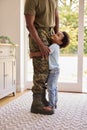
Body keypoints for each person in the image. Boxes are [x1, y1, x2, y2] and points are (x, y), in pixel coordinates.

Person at [24, 0, 59, 115]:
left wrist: (57, 37)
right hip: (39, 33)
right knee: (41, 70)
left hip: (50, 32)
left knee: (48, 69)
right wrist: (40, 44)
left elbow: (56, 16)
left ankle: (42, 99)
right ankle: (36, 103)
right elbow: (30, 24)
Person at [31, 31, 70, 113]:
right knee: (54, 87)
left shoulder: (54, 46)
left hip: (53, 71)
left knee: (51, 88)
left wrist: (33, 54)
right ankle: (54, 103)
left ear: (60, 42)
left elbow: (44, 52)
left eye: (58, 35)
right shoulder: (55, 46)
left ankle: (51, 106)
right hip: (55, 70)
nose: (55, 34)